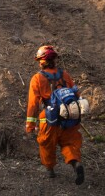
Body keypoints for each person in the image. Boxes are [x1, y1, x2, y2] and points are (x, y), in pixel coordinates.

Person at [26, 45, 85, 185]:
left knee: (46, 144)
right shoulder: (64, 75)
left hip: (49, 118)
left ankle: (50, 169)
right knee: (70, 143)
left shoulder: (37, 78)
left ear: (41, 61)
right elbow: (76, 94)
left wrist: (30, 125)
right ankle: (76, 164)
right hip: (69, 118)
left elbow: (33, 104)